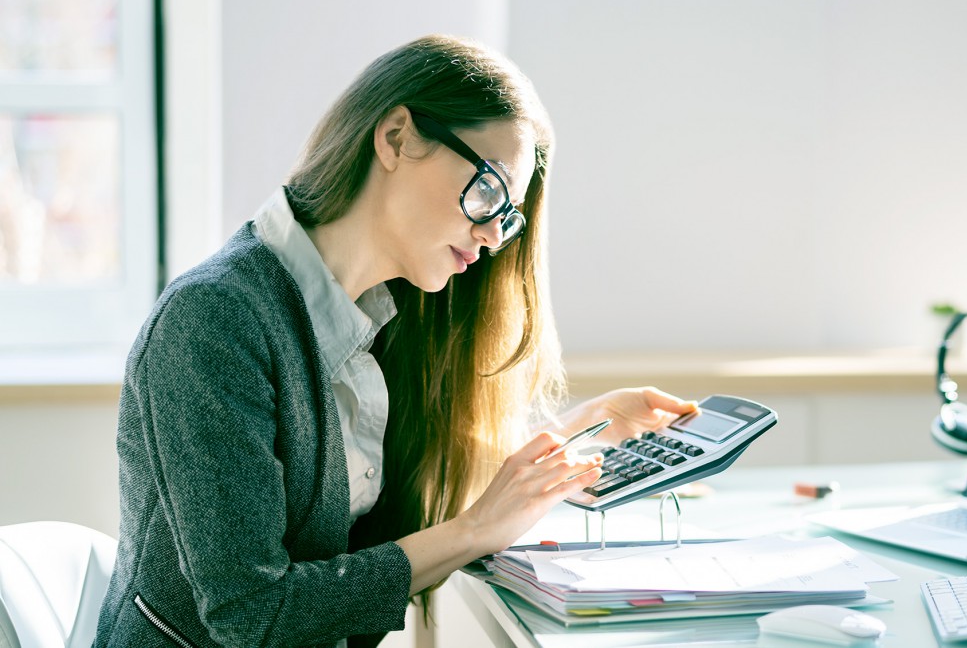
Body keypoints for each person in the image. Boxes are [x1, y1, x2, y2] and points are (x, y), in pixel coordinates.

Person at [93, 34, 696, 648]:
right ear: (397, 138)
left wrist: (577, 435)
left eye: (507, 216)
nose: (491, 236)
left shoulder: (380, 320)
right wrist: (474, 531)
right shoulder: (214, 321)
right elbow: (252, 614)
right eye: (488, 190)